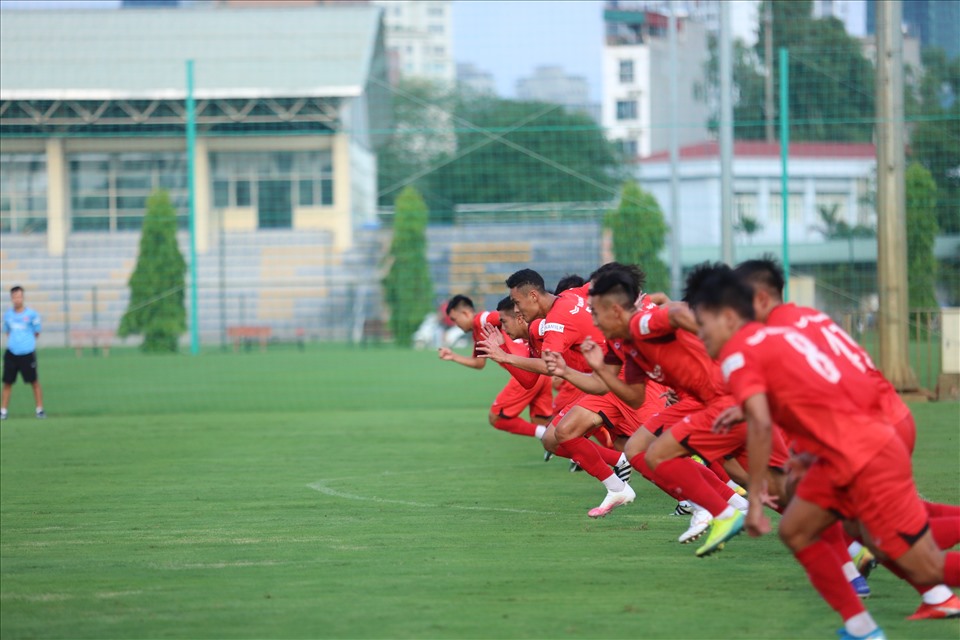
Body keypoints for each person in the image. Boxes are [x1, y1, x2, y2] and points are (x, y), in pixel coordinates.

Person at [688, 263, 960, 640]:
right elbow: (840, 387)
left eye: (703, 325)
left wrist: (752, 503)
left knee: (924, 567)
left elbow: (762, 424)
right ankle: (862, 628)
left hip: (865, 458)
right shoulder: (782, 336)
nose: (699, 336)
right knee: (798, 528)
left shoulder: (738, 353)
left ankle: (882, 617)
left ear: (730, 315)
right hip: (856, 448)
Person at [570, 268, 789, 557]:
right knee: (640, 449)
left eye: (594, 311)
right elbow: (634, 397)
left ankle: (720, 511)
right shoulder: (624, 342)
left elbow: (676, 311)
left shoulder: (643, 323)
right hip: (697, 400)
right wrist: (595, 367)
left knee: (774, 482)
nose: (592, 319)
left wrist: (724, 345)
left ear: (614, 306)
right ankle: (725, 508)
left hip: (723, 397)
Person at [476, 269, 634, 517]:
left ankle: (707, 498)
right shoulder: (568, 296)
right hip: (601, 379)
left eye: (517, 304)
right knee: (556, 438)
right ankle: (620, 477)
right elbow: (530, 380)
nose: (517, 311)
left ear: (533, 296)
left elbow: (549, 366)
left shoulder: (553, 324)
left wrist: (504, 355)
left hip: (616, 377)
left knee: (657, 447)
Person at [440, 295, 552, 439]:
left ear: (466, 313)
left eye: (455, 320)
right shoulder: (477, 332)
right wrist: (453, 356)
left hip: (524, 371)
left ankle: (546, 435)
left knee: (497, 418)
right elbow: (479, 363)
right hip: (538, 368)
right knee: (542, 422)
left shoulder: (482, 320)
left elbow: (504, 314)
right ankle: (576, 449)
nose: (457, 325)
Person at [2, 286, 44, 420]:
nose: (17, 299)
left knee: (34, 382)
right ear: (11, 298)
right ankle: (3, 411)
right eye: (14, 297)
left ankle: (39, 409)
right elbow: (7, 331)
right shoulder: (8, 315)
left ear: (23, 297)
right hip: (12, 353)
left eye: (19, 296)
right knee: (7, 382)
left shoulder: (32, 315)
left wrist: (27, 343)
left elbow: (37, 332)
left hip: (27, 353)